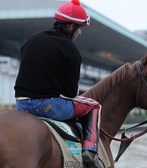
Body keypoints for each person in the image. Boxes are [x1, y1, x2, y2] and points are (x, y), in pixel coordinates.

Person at [14, 0, 101, 167]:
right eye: (80, 28)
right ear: (70, 27)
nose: (80, 33)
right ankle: (89, 151)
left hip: (21, 105)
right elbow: (70, 93)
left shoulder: (32, 39)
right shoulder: (71, 50)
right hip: (47, 105)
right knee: (94, 105)